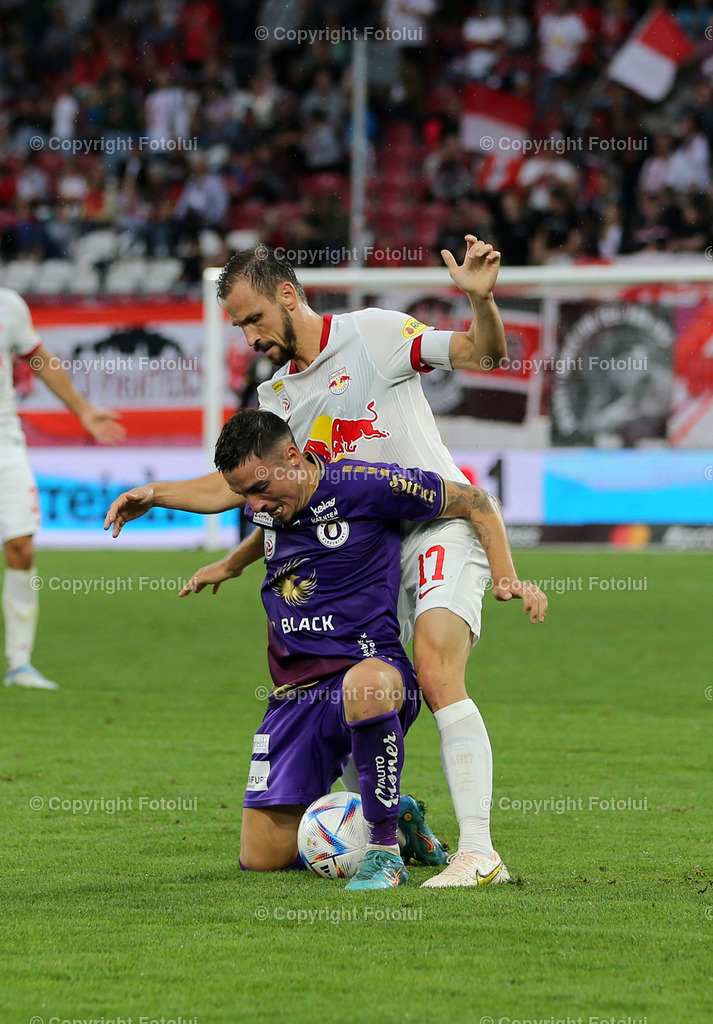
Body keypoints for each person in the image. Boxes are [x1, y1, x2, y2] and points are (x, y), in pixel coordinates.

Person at [104, 240, 520, 888]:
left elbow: (481, 354)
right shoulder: (276, 396)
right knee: (356, 680)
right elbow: (247, 485)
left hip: (439, 521)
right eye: (239, 326)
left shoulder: (374, 335)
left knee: (437, 670)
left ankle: (479, 852)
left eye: (254, 318)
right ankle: (394, 820)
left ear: (288, 295)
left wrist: (481, 300)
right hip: (370, 548)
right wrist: (159, 495)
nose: (249, 336)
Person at [195, 408, 546, 889]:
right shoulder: (273, 505)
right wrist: (232, 563)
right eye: (244, 495)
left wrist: (506, 578)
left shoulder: (365, 485)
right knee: (262, 858)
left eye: (260, 488)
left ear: (293, 457)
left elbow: (476, 501)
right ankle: (397, 817)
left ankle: (383, 852)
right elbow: (267, 526)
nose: (254, 505)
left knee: (367, 685)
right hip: (294, 696)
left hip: (372, 674)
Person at [2, 288, 125, 690]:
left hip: (5, 442)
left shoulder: (8, 306)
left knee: (21, 545)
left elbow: (38, 358)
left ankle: (20, 663)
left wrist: (83, 410)